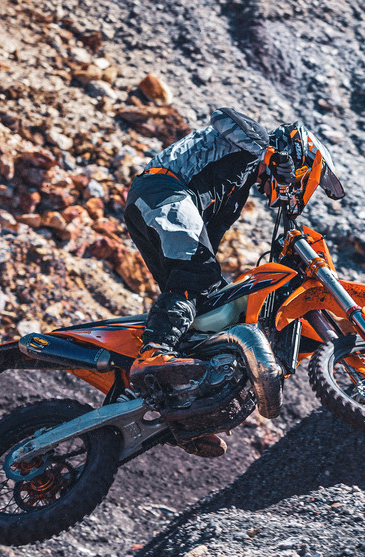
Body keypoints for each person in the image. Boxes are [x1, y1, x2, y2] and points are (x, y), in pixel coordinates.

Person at [121, 108, 298, 457]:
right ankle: (153, 352)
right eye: (288, 177)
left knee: (207, 301)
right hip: (164, 190)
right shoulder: (252, 139)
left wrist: (212, 286)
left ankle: (184, 413)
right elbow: (222, 117)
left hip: (158, 204)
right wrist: (271, 152)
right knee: (196, 276)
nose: (278, 188)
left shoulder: (237, 189)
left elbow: (209, 238)